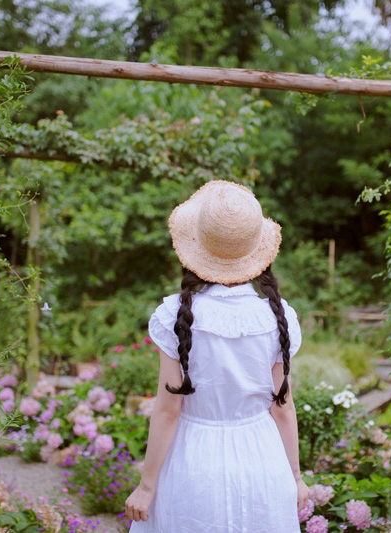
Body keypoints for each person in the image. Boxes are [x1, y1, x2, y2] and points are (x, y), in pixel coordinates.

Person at [125, 180, 309, 532]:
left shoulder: (174, 315)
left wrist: (147, 487)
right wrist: (296, 478)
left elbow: (167, 409)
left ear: (196, 245)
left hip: (193, 462)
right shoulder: (276, 316)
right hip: (263, 462)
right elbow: (282, 407)